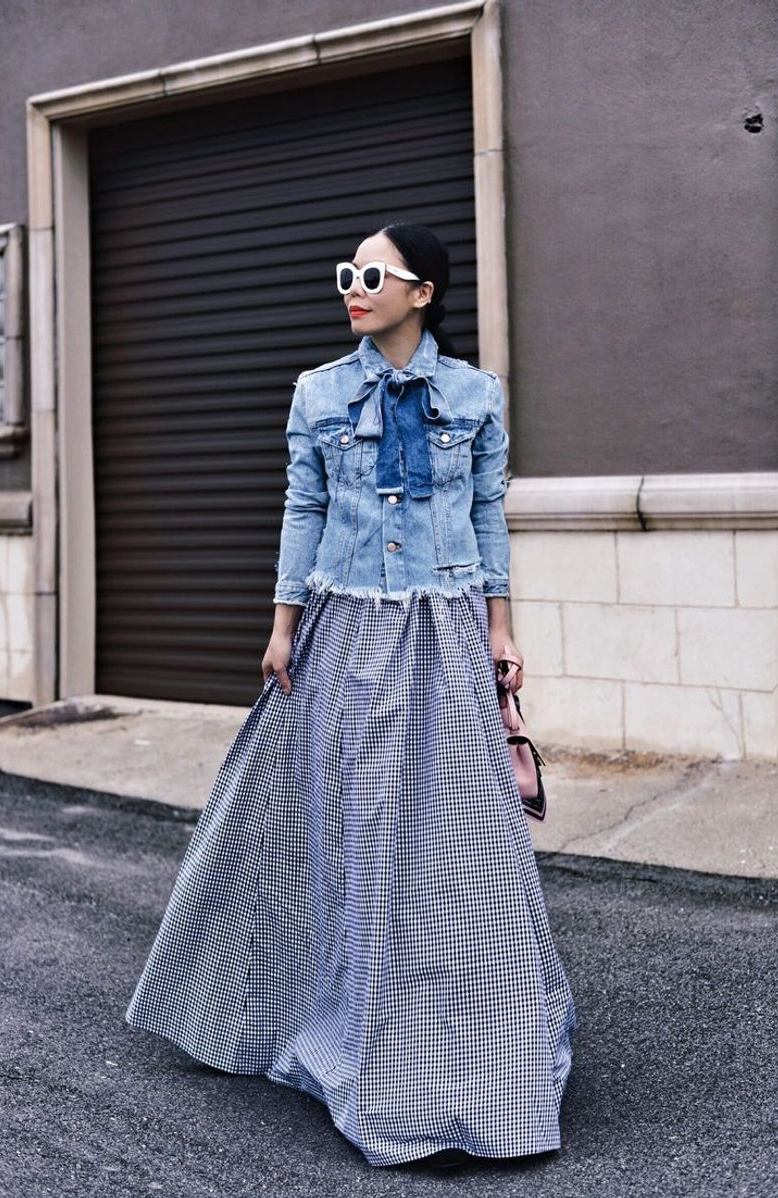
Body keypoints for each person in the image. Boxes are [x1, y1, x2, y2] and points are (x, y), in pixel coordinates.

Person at [124, 221, 577, 1171]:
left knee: (465, 846)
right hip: (345, 630)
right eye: (347, 275)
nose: (353, 288)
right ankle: (366, 1050)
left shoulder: (475, 396)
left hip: (448, 630)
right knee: (355, 833)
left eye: (373, 275)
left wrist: (500, 627)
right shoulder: (318, 392)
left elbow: (487, 508)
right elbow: (304, 504)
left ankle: (482, 1068)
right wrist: (283, 622)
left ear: (423, 292)